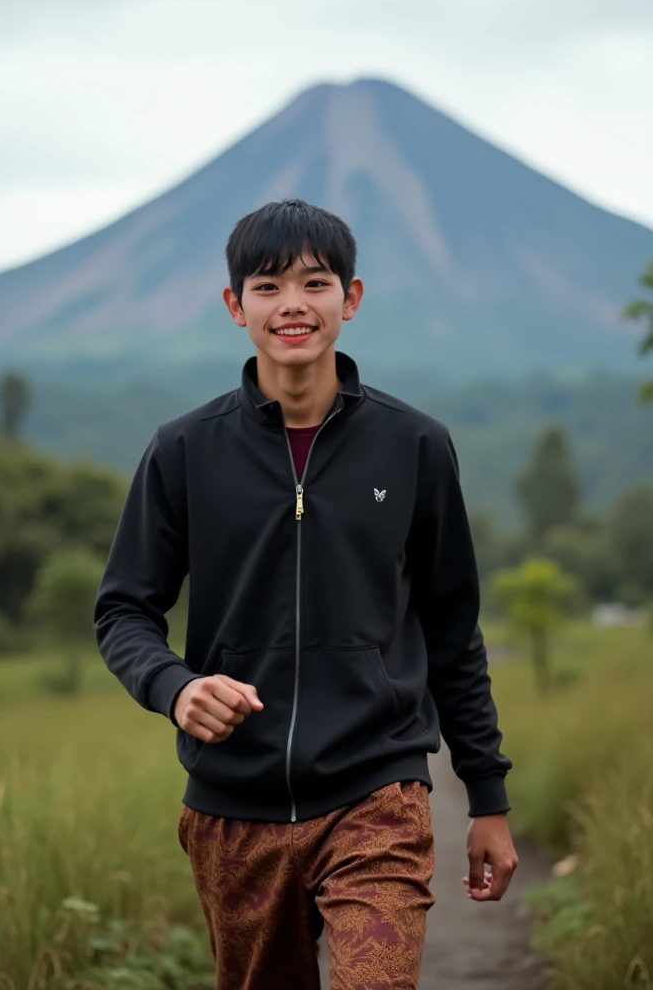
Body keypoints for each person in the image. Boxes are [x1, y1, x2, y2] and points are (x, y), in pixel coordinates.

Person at [94, 198, 518, 990]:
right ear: (235, 306)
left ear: (350, 299)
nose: (292, 304)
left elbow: (452, 629)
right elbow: (123, 610)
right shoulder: (184, 450)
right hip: (232, 806)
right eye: (267, 286)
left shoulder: (415, 444)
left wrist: (486, 797)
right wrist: (176, 688)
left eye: (315, 283)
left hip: (378, 792)